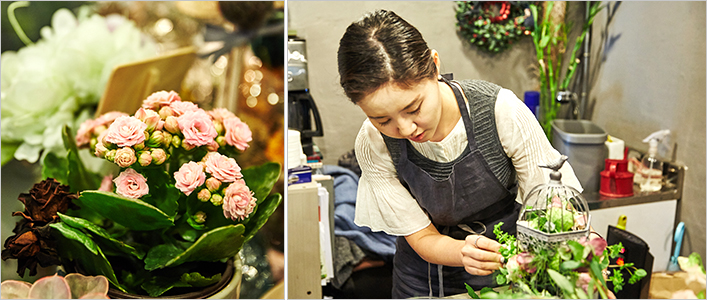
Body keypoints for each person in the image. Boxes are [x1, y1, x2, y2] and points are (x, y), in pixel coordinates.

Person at [337, 9, 586, 298]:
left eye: (414, 108)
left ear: (434, 65)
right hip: (420, 281)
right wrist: (462, 251)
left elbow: (550, 204)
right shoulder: (373, 142)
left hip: (506, 272)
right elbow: (421, 236)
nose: (405, 128)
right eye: (383, 120)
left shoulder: (500, 112)